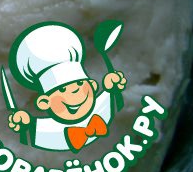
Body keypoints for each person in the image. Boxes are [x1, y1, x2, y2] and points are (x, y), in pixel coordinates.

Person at [7, 22, 127, 152]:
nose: (75, 92)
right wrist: (24, 124)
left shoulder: (101, 109)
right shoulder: (48, 131)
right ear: (44, 102)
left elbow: (113, 101)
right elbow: (29, 133)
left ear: (92, 85)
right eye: (63, 89)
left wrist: (112, 87)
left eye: (80, 84)